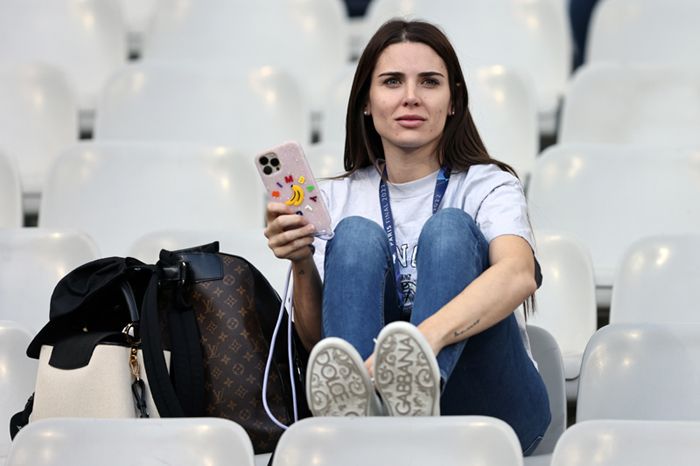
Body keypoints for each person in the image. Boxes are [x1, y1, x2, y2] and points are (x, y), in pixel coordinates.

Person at [264, 19, 550, 455]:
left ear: (453, 102)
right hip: (372, 406)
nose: (410, 97)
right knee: (355, 235)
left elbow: (518, 275)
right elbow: (318, 342)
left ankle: (399, 414)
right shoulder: (335, 198)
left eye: (430, 82)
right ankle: (364, 425)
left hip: (491, 414)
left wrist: (422, 347)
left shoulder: (487, 184)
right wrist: (301, 261)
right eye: (392, 81)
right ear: (366, 101)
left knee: (449, 229)